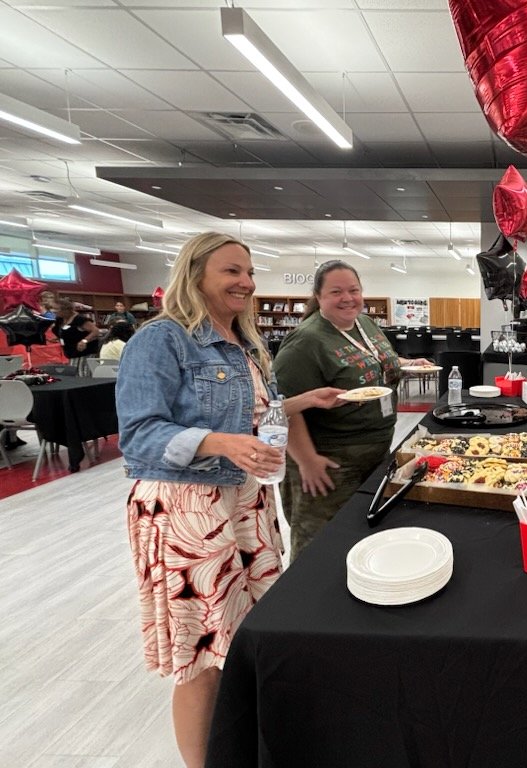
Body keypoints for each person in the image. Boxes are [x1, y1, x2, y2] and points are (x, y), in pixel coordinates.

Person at [115, 232, 345, 768]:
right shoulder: (161, 340)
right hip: (188, 512)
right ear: (194, 274)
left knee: (243, 641)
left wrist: (305, 401)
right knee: (199, 657)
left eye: (249, 272)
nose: (246, 282)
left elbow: (251, 414)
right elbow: (139, 435)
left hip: (245, 506)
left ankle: (240, 745)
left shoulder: (243, 341)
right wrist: (218, 443)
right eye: (231, 272)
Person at [273, 260, 432, 559]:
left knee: (360, 534)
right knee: (320, 544)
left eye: (353, 290)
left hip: (373, 452)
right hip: (330, 462)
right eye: (336, 291)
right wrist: (307, 460)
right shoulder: (305, 341)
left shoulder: (364, 323)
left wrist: (407, 364)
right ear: (318, 296)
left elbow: (376, 359)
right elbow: (282, 406)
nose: (348, 298)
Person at [54, 298, 100, 372]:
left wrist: (84, 341)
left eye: (57, 309)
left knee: (81, 373)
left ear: (66, 310)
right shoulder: (60, 320)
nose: (54, 311)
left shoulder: (80, 319)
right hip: (70, 353)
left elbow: (96, 331)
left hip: (84, 353)